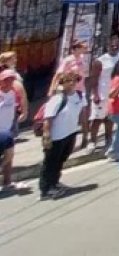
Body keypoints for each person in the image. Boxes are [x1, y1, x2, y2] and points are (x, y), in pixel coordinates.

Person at [39, 72, 86, 200]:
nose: (72, 83)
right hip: (56, 136)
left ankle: (55, 183)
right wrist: (47, 135)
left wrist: (84, 133)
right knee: (50, 163)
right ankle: (46, 189)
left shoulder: (80, 96)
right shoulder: (57, 99)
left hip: (70, 133)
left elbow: (82, 114)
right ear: (63, 83)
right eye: (68, 81)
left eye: (74, 81)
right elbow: (48, 119)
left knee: (61, 160)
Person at [87, 35, 119, 154]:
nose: (114, 47)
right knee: (97, 119)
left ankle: (108, 139)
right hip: (102, 93)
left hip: (115, 94)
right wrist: (95, 94)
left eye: (117, 45)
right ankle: (92, 141)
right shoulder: (100, 61)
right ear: (107, 46)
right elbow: (94, 79)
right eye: (112, 45)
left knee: (110, 119)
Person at [1, 69, 22, 193]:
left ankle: (7, 182)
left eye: (11, 80)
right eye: (6, 80)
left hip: (8, 129)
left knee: (9, 156)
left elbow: (14, 109)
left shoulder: (13, 94)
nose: (9, 82)